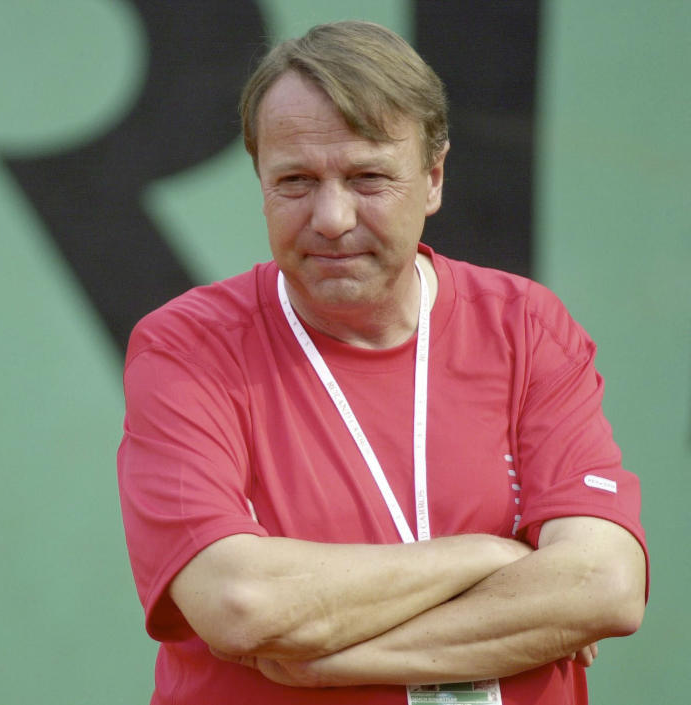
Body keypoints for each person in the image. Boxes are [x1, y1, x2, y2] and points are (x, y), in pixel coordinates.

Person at [117, 20, 648, 705]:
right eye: (296, 180)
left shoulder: (526, 326)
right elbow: (240, 601)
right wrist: (493, 556)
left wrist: (322, 657)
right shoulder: (187, 348)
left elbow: (604, 585)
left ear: (432, 178)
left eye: (367, 177)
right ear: (261, 182)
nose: (332, 216)